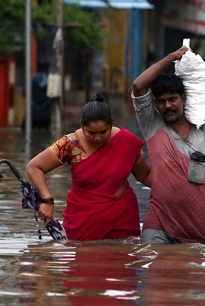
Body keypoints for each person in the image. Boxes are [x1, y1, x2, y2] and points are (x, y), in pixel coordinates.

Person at [132, 46, 205, 245]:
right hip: (158, 221)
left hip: (196, 224)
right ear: (155, 105)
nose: (168, 106)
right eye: (161, 101)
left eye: (173, 99)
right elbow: (139, 86)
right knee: (155, 267)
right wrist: (171, 57)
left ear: (184, 99)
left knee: (193, 275)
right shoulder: (152, 125)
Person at [26, 93, 151, 241]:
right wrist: (47, 200)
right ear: (82, 125)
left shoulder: (126, 141)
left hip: (122, 221)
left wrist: (176, 188)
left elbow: (146, 175)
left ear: (112, 123)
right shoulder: (70, 144)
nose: (98, 138)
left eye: (104, 132)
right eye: (91, 133)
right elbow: (34, 167)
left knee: (122, 261)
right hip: (82, 225)